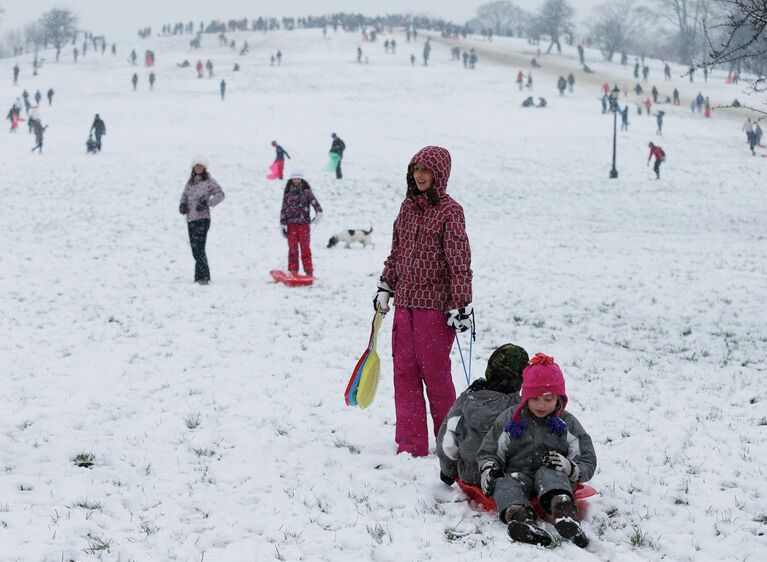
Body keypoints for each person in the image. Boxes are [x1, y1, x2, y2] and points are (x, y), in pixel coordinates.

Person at [374, 145, 473, 457]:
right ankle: (411, 444)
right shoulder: (406, 208)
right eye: (416, 169)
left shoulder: (450, 211)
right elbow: (396, 253)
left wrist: (461, 304)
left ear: (439, 174)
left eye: (426, 170)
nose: (419, 175)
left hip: (435, 308)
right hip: (404, 305)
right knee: (404, 374)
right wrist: (385, 286)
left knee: (436, 376)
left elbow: (459, 263)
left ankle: (449, 444)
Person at [476, 353, 597, 548]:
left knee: (551, 474)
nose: (541, 405)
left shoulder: (567, 423)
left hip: (551, 474)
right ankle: (521, 519)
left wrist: (570, 468)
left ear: (559, 398)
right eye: (535, 399)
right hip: (518, 473)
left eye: (548, 399)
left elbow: (587, 458)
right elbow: (489, 450)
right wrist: (488, 469)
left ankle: (564, 513)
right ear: (525, 397)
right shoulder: (511, 419)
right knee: (505, 484)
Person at [437, 344, 529, 487]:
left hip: (471, 472)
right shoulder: (519, 406)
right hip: (507, 472)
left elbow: (448, 441)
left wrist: (447, 472)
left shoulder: (466, 400)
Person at [178, 157, 225, 285]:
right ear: (193, 168)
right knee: (195, 248)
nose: (198, 168)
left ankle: (202, 277)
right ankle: (201, 276)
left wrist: (207, 203)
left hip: (203, 219)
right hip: (191, 218)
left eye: (201, 166)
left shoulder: (209, 181)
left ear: (204, 168)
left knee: (199, 248)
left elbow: (220, 194)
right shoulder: (190, 182)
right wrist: (182, 205)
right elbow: (184, 196)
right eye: (196, 166)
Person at [279, 171, 322, 277]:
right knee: (292, 249)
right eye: (294, 178)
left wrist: (318, 215)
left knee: (305, 248)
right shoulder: (288, 192)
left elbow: (317, 206)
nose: (296, 180)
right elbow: (284, 209)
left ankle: (309, 271)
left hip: (304, 225)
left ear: (301, 179)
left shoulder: (307, 192)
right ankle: (293, 270)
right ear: (291, 180)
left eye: (298, 178)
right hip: (291, 225)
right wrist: (282, 224)